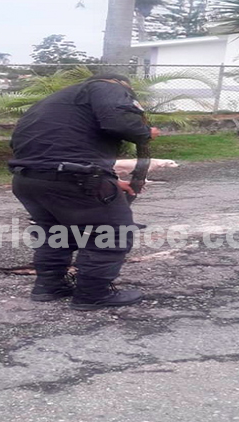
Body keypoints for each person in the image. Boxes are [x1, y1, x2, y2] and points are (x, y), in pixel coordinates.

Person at [9, 73, 160, 311]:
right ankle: (93, 294)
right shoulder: (107, 87)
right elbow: (118, 122)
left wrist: (106, 180)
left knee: (57, 233)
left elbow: (58, 143)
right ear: (122, 84)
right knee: (110, 235)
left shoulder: (57, 101)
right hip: (77, 178)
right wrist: (144, 132)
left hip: (29, 178)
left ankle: (49, 287)